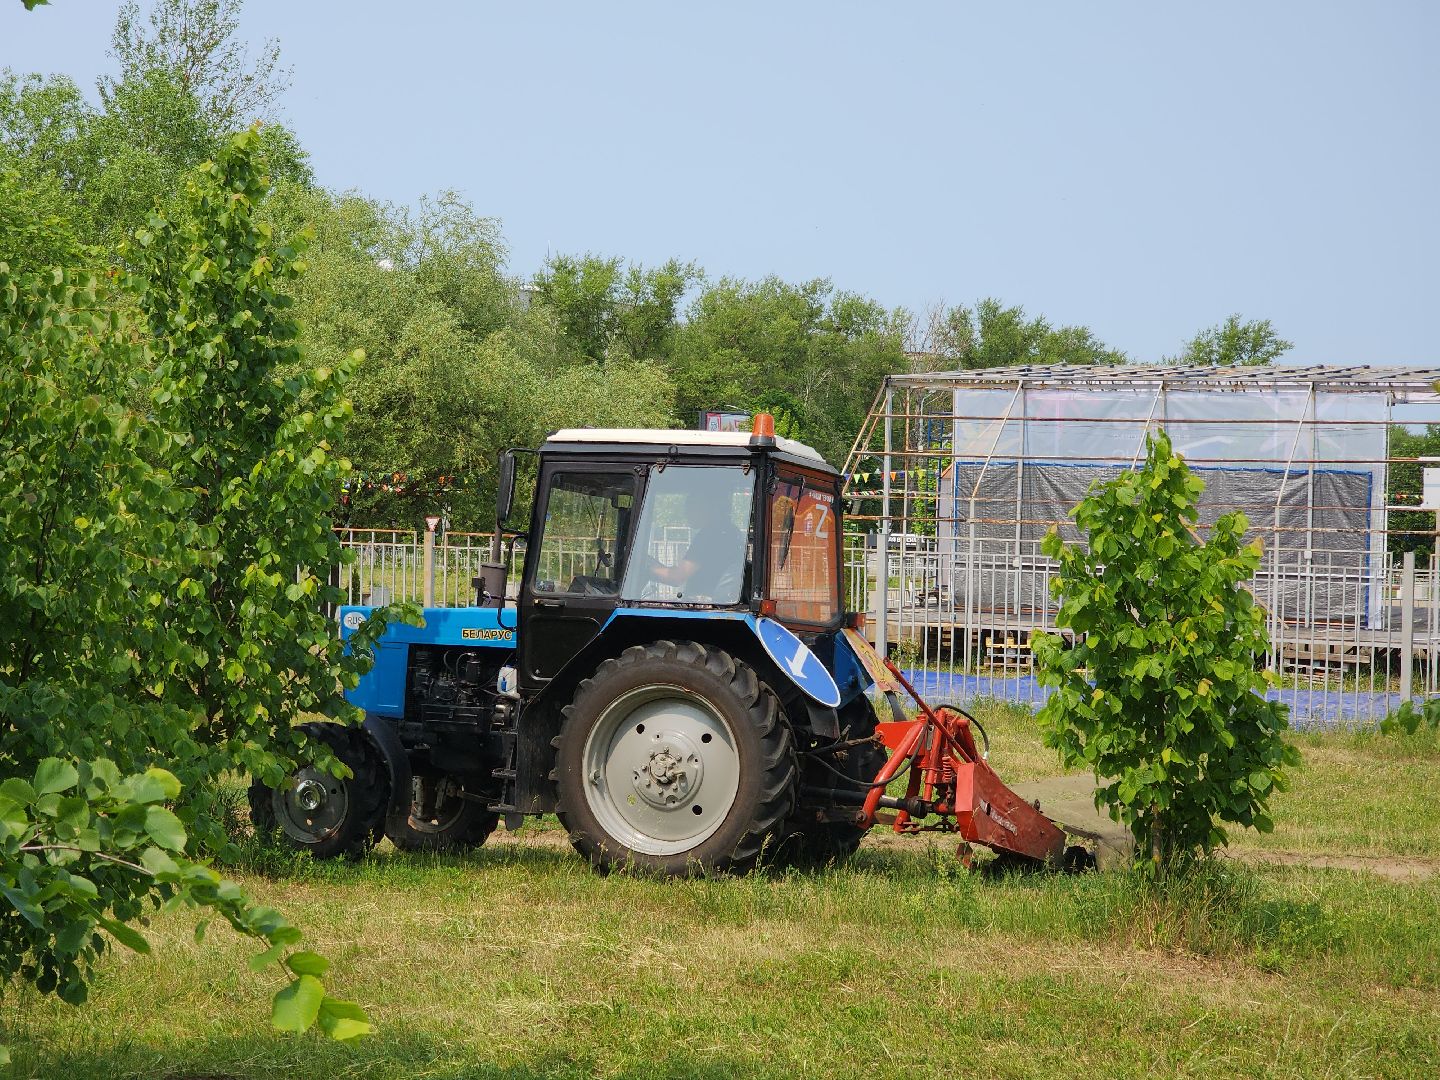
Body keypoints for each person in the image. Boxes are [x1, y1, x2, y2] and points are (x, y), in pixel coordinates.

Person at [646, 489, 746, 602]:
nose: (686, 512)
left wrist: (646, 568)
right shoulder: (729, 531)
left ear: (709, 507)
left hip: (705, 603)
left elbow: (676, 577)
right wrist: (653, 564)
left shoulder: (710, 535)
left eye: (691, 505)